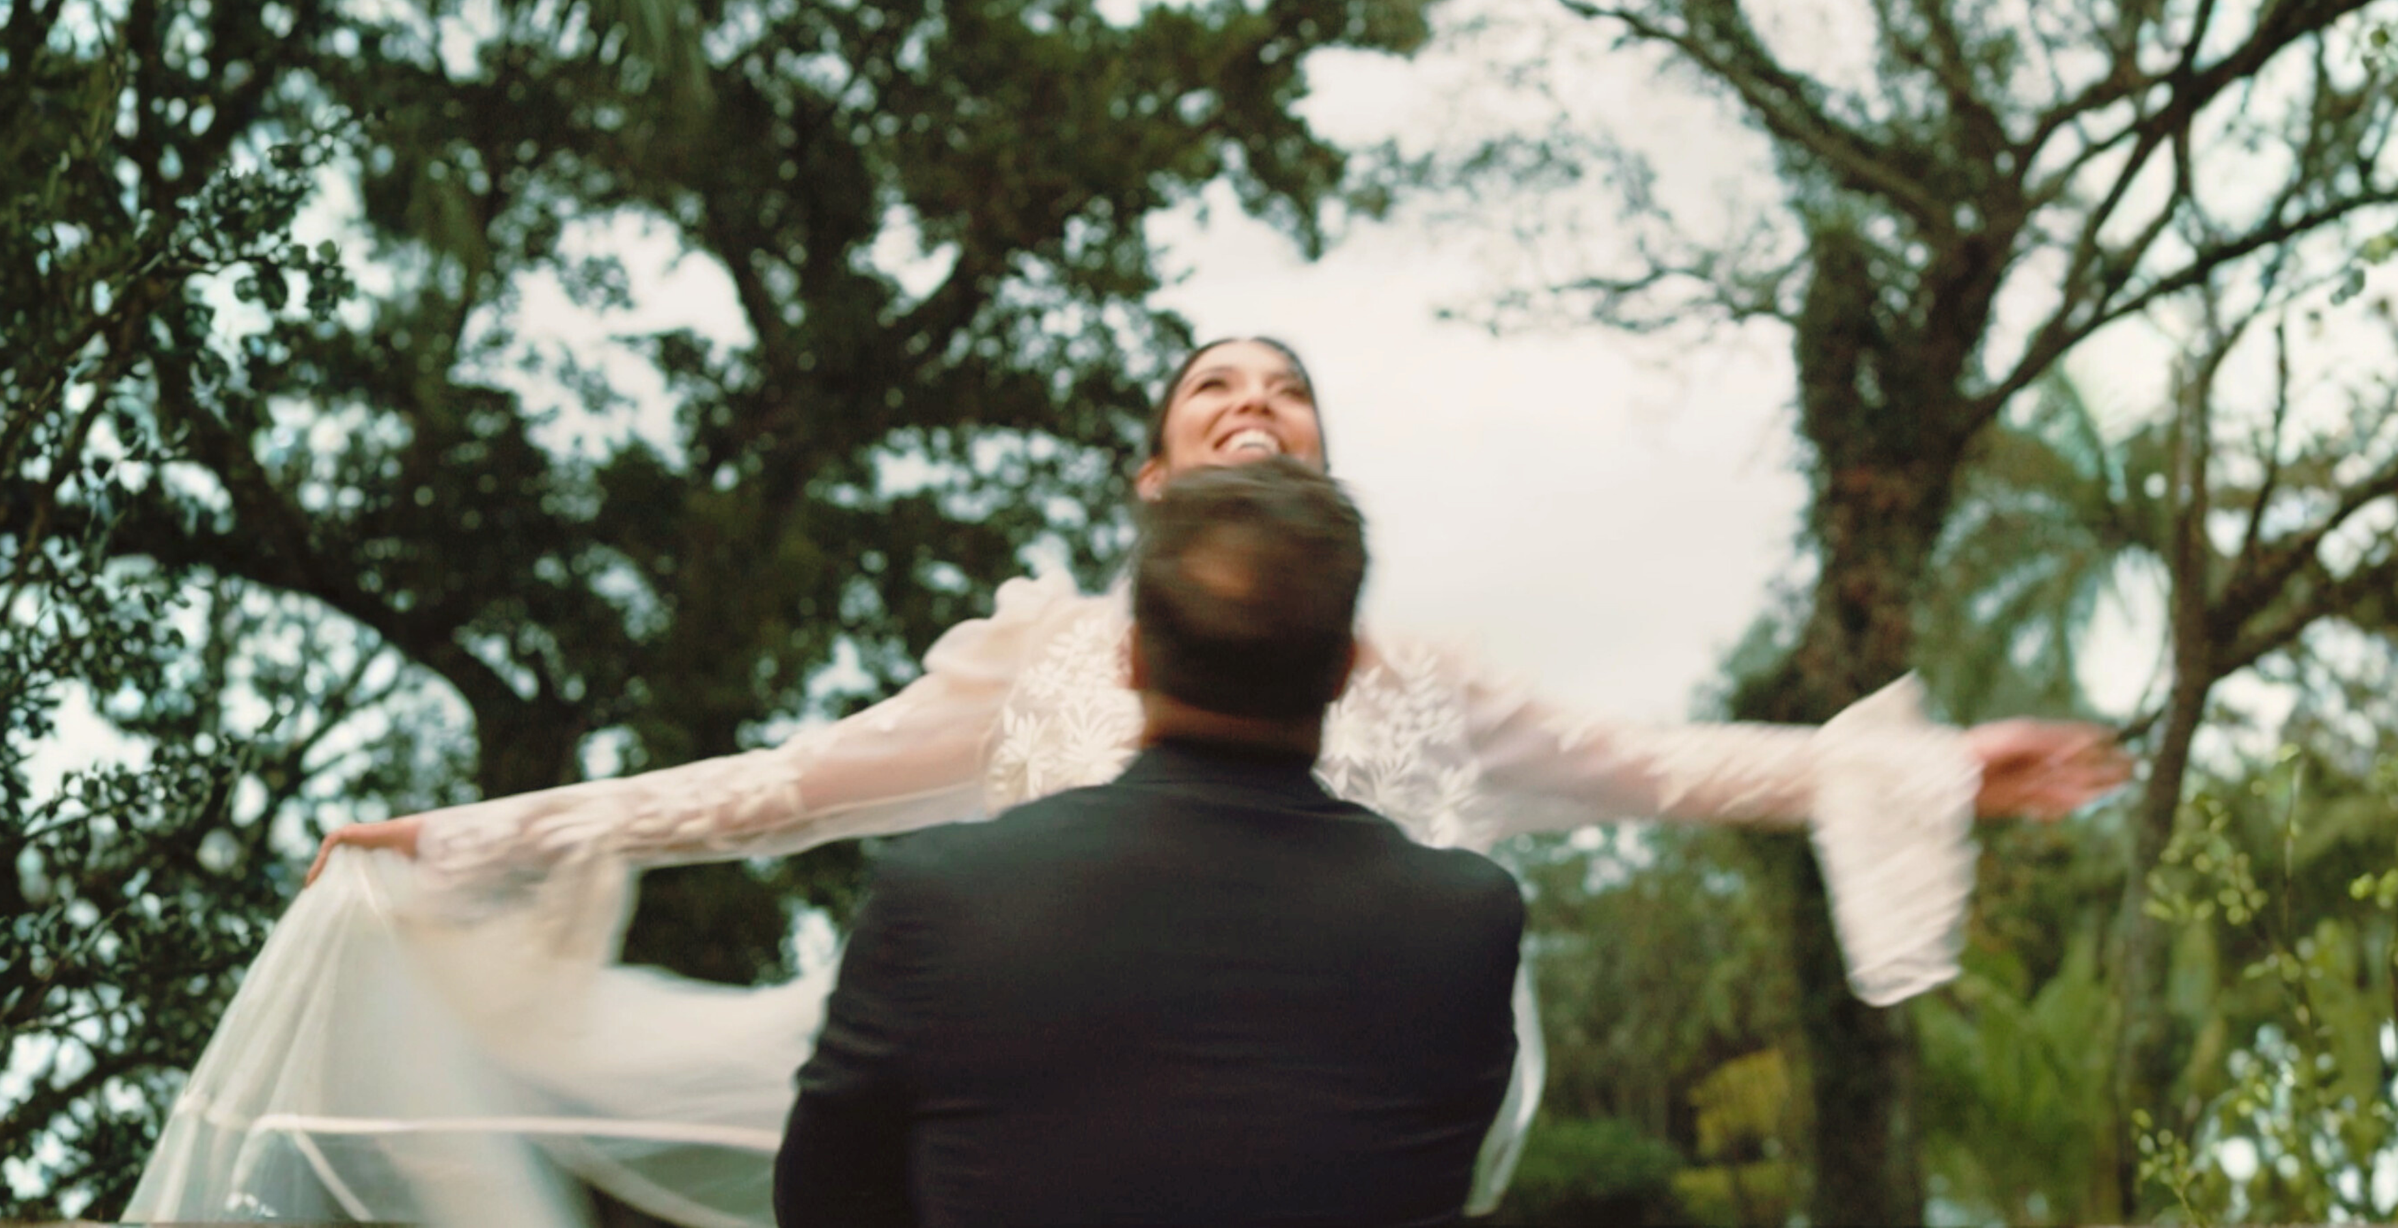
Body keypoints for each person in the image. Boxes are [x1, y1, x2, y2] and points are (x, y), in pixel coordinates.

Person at [127, 337, 2126, 1227]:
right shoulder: (1048, 660)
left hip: (1337, 1099)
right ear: (1154, 483)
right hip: (1043, 1071)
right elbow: (780, 787)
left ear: (1325, 476)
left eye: (1286, 389)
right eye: (1209, 391)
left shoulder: (1419, 677)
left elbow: (1669, 764)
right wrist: (479, 834)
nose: (1252, 399)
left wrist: (1936, 754)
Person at [774, 456, 1524, 1228]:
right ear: (1343, 670)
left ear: (1129, 657)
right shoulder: (1466, 923)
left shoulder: (943, 894)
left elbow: (823, 1202)